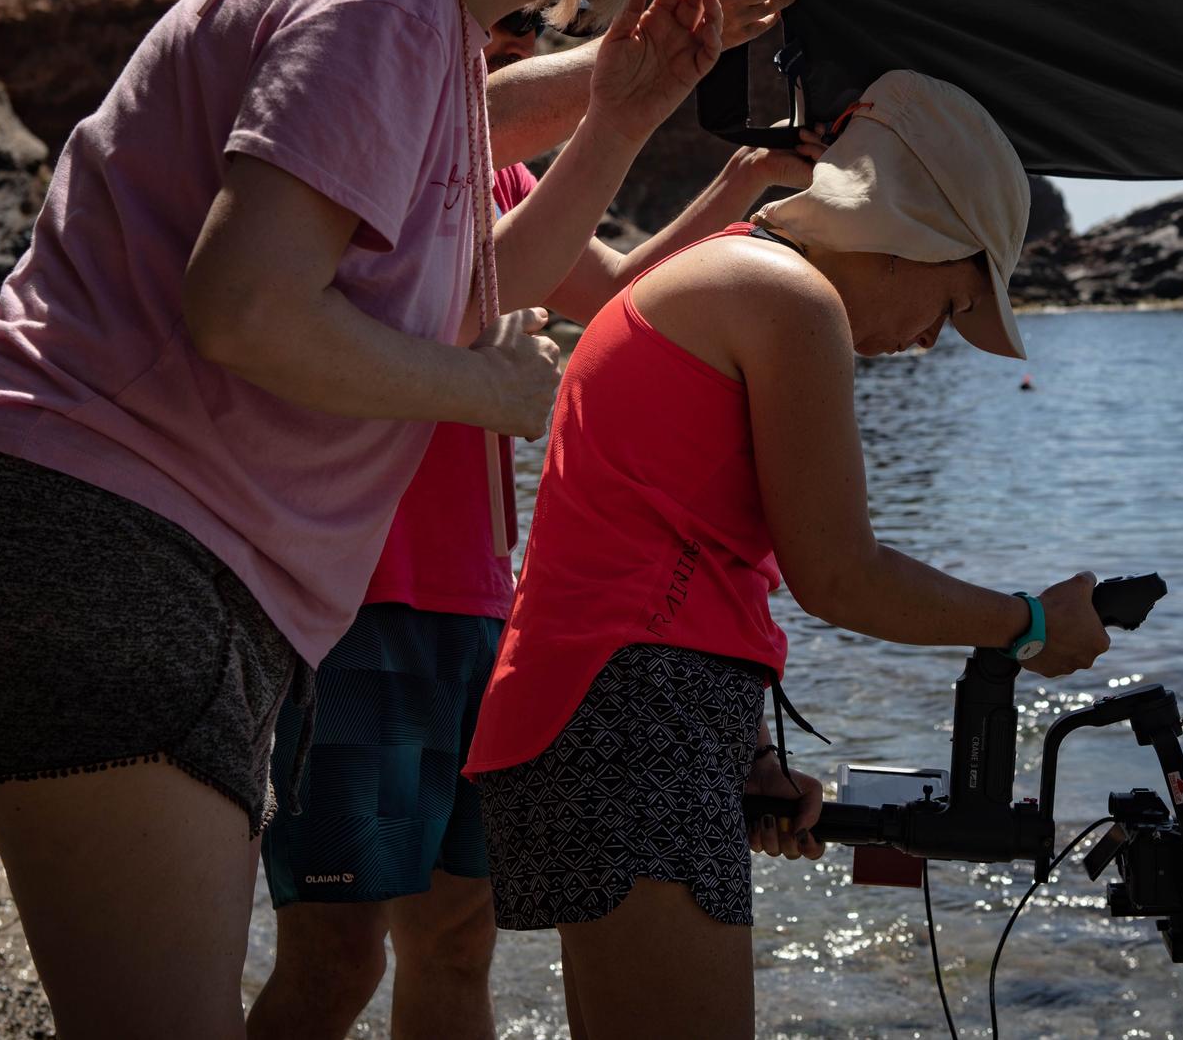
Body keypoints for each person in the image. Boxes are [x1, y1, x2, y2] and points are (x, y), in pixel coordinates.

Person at [0, 0, 749, 1035]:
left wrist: (625, 105)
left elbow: (463, 288)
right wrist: (496, 394)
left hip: (114, 550)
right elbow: (244, 310)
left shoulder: (402, 0)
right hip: (109, 553)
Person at [466, 70, 1115, 1039]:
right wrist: (1028, 624)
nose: (930, 340)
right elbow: (839, 576)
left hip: (606, 705)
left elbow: (674, 538)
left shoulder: (732, 275)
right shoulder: (786, 298)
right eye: (952, 304)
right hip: (634, 713)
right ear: (921, 237)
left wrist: (750, 753)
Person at [247, 0, 820, 1040]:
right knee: (333, 958)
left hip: (481, 611)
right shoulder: (363, 143)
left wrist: (739, 190)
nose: (518, 44)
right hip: (349, 605)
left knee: (457, 944)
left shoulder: (502, 173)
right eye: (499, 21)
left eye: (533, 29)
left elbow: (617, 300)